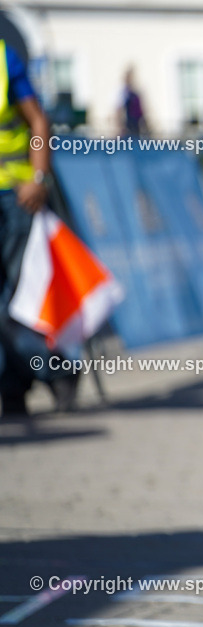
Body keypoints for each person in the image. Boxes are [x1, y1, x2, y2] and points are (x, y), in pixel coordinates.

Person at [0, 39, 76, 416]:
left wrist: (40, 175)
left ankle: (55, 371)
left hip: (13, 196)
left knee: (17, 299)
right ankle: (14, 389)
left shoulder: (3, 58)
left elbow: (37, 120)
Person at [118, 67, 147, 137]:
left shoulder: (135, 92)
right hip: (128, 124)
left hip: (136, 123)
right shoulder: (124, 92)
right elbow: (119, 109)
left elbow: (140, 109)